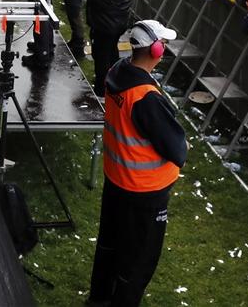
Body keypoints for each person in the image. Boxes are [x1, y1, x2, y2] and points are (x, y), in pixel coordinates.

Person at [88, 20, 187, 307]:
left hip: (116, 178)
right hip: (145, 192)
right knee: (138, 262)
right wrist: (182, 144)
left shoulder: (116, 73)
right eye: (163, 44)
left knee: (109, 246)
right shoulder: (146, 97)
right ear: (156, 50)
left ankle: (99, 299)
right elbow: (176, 149)